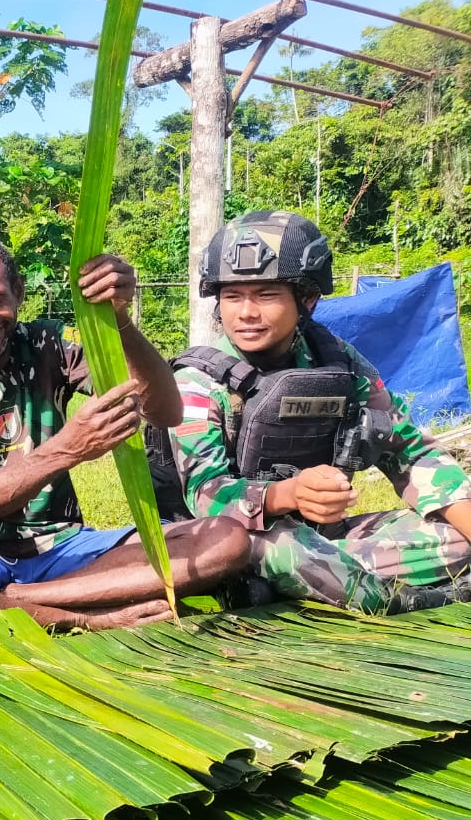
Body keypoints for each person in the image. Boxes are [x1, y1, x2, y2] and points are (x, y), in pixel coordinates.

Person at [0, 234, 250, 629]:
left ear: (18, 292)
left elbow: (165, 411)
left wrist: (120, 321)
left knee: (227, 540)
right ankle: (81, 613)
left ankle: (15, 600)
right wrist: (68, 448)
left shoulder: (50, 344)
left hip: (62, 545)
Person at [147, 210, 471, 613]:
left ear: (308, 298)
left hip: (325, 539)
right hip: (230, 541)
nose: (246, 312)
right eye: (232, 296)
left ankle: (311, 585)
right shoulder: (199, 380)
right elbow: (205, 495)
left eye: (266, 295)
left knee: (456, 533)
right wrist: (287, 494)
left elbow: (408, 449)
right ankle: (385, 597)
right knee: (280, 552)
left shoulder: (337, 362)